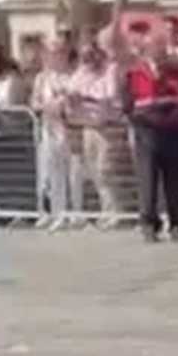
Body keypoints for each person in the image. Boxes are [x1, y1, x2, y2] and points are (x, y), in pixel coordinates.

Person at [120, 24, 178, 242]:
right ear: (145, 50)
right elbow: (128, 105)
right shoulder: (134, 74)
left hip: (173, 133)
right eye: (155, 48)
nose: (160, 53)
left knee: (175, 181)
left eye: (163, 49)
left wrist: (172, 118)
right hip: (146, 135)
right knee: (148, 181)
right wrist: (144, 121)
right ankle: (149, 224)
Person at [69, 40, 125, 228]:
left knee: (105, 170)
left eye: (91, 55)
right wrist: (71, 98)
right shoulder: (81, 73)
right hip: (88, 126)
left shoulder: (110, 70)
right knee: (93, 172)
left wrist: (85, 98)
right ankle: (106, 210)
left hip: (108, 127)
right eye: (84, 56)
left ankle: (116, 211)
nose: (87, 60)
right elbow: (71, 91)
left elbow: (109, 96)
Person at [31, 40, 78, 229]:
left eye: (59, 52)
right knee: (51, 171)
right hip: (49, 127)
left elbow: (75, 99)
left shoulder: (73, 76)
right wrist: (44, 107)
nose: (55, 57)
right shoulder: (42, 78)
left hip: (70, 127)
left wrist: (64, 103)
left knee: (73, 172)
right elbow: (34, 101)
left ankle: (74, 213)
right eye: (51, 53)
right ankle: (55, 212)